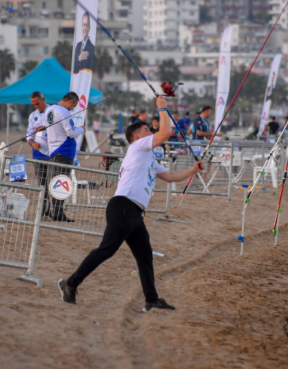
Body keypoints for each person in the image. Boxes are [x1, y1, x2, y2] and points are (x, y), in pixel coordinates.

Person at [58, 95, 206, 311]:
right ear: (137, 137)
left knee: (145, 257)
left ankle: (151, 299)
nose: (151, 133)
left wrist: (193, 170)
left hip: (134, 213)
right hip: (123, 207)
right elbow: (165, 133)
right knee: (106, 250)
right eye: (147, 131)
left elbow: (172, 177)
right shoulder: (137, 148)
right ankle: (70, 283)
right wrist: (163, 108)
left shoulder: (149, 159)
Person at [44, 92, 84, 222]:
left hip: (54, 151)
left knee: (57, 182)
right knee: (61, 184)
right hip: (64, 151)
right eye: (74, 106)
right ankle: (58, 214)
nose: (72, 109)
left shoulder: (49, 110)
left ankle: (57, 212)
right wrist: (82, 129)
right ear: (70, 101)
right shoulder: (64, 112)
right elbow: (71, 132)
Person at [27, 91, 51, 217]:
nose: (36, 106)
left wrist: (45, 127)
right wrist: (33, 144)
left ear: (43, 99)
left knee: (53, 182)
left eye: (37, 103)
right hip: (37, 154)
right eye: (33, 104)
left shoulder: (53, 111)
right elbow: (29, 135)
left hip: (52, 153)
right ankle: (44, 208)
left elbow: (58, 128)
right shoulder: (32, 116)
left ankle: (55, 210)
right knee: (41, 183)